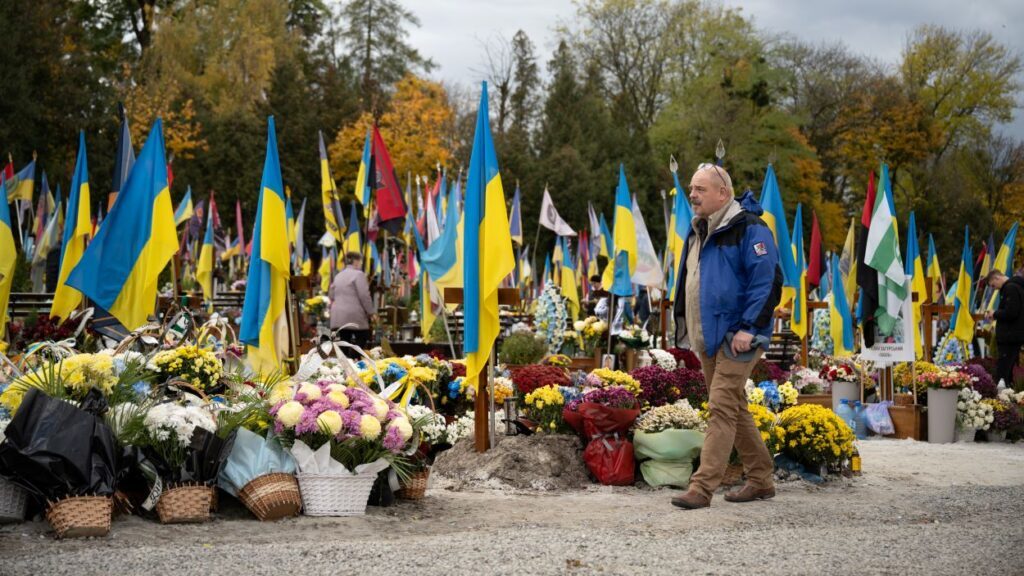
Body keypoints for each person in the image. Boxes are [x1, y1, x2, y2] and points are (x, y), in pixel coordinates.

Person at [670, 163, 782, 510]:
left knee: (720, 407)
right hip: (710, 335)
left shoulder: (750, 228)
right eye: (691, 188)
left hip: (739, 336)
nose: (692, 194)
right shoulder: (698, 230)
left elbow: (768, 281)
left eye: (700, 189)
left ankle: (702, 488)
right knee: (734, 407)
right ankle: (761, 480)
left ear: (723, 193)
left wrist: (749, 327)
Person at [329, 251, 377, 355]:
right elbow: (364, 296)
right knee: (363, 336)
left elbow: (331, 295)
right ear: (355, 261)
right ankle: (355, 360)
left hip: (339, 316)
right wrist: (371, 313)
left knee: (344, 341)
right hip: (354, 315)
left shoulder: (338, 275)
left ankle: (346, 363)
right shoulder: (358, 275)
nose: (360, 264)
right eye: (360, 261)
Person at [985, 270, 1024, 386]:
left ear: (997, 278)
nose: (995, 289)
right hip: (1014, 335)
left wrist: (995, 314)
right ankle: (1009, 396)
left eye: (993, 285)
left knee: (1003, 373)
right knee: (1010, 371)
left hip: (1009, 336)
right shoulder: (1017, 287)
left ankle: (1003, 398)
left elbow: (1011, 312)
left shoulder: (1010, 288)